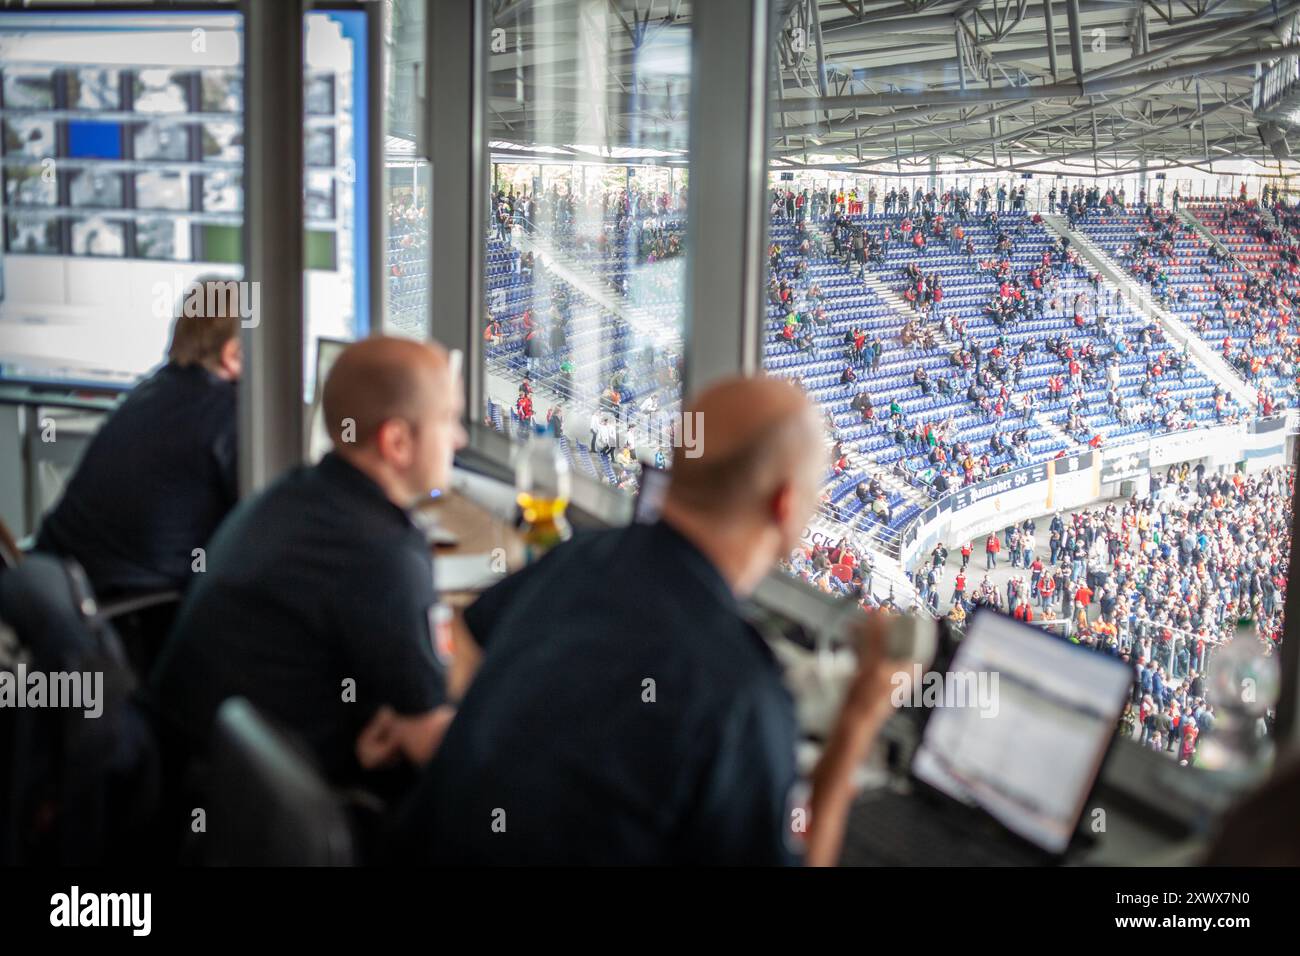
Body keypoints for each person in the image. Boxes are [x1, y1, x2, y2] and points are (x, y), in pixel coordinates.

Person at [390, 376, 907, 866]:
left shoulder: (574, 557)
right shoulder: (742, 694)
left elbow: (464, 641)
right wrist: (856, 724)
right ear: (784, 503)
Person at [149, 337, 466, 788]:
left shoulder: (295, 493)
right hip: (256, 805)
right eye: (448, 420)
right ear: (397, 441)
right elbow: (430, 741)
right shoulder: (383, 551)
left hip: (202, 774)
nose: (460, 438)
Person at [35, 277, 242, 669]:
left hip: (56, 592)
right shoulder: (228, 414)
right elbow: (256, 525)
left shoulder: (149, 391)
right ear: (233, 355)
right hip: (121, 619)